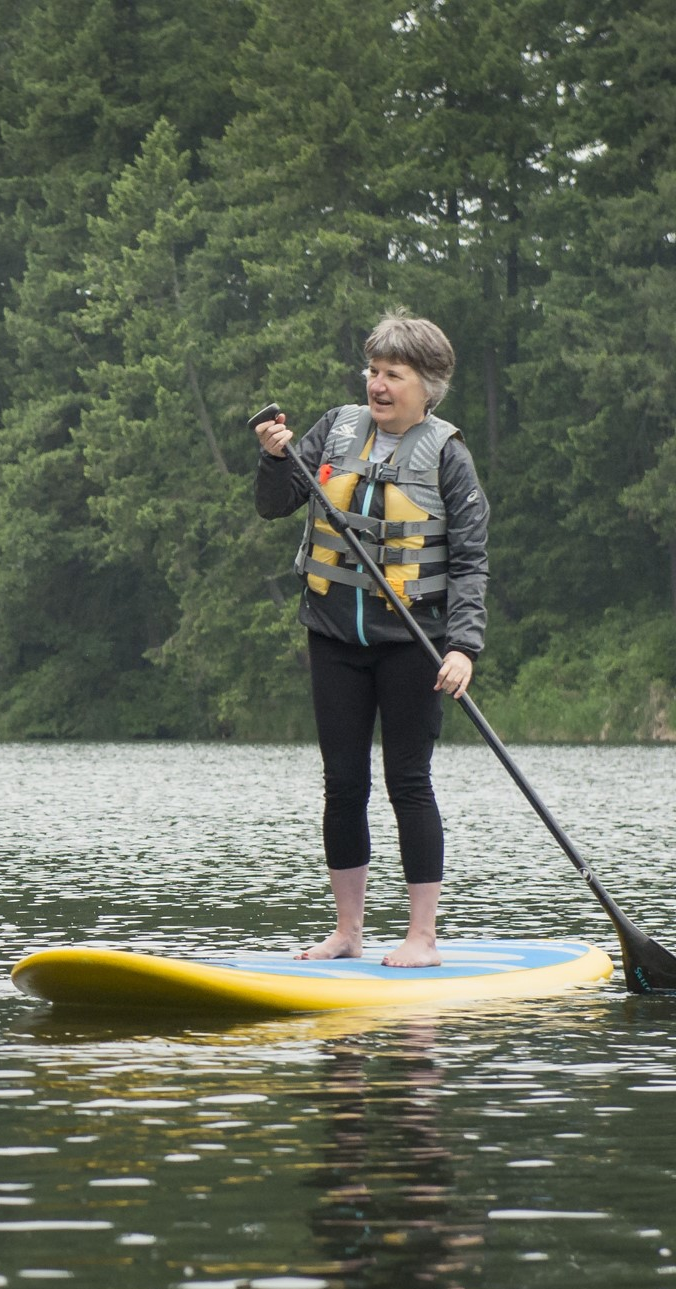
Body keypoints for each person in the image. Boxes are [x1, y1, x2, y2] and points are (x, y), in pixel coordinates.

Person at [254, 310, 489, 968]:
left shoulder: (449, 456)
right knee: (343, 783)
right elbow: (276, 502)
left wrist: (463, 646)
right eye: (373, 371)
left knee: (408, 783)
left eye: (394, 374)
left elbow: (470, 563)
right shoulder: (336, 430)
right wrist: (275, 459)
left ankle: (422, 937)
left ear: (428, 385)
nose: (378, 385)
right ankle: (348, 932)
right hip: (334, 634)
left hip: (414, 642)